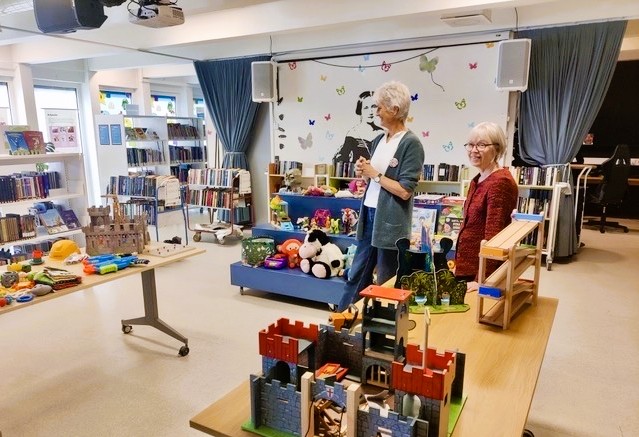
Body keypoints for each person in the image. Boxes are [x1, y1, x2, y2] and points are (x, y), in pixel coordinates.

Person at [337, 81, 425, 311]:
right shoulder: (378, 140)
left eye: (379, 107)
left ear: (395, 110)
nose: (376, 112)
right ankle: (343, 318)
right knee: (357, 273)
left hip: (390, 220)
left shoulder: (411, 144)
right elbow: (373, 180)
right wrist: (364, 172)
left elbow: (404, 191)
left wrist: (374, 174)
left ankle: (383, 324)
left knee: (386, 279)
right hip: (369, 213)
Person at [454, 122, 519, 291]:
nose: (473, 150)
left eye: (481, 145)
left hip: (480, 274)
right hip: (468, 267)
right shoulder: (477, 179)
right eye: (470, 144)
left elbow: (494, 236)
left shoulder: (500, 183)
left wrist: (482, 280)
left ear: (497, 149)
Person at [332, 91, 383, 173]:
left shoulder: (382, 133)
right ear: (360, 110)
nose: (370, 111)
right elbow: (342, 158)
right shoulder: (353, 133)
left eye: (373, 106)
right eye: (366, 108)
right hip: (358, 176)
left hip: (378, 176)